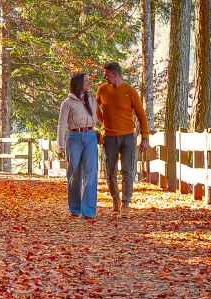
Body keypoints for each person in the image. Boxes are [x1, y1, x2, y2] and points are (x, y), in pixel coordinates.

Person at [94, 61, 149, 217]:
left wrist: (145, 136)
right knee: (110, 171)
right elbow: (95, 108)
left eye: (106, 74)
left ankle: (126, 203)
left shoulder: (130, 91)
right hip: (109, 137)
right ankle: (115, 199)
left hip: (127, 137)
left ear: (115, 74)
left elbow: (141, 115)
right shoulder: (102, 90)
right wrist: (102, 121)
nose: (104, 76)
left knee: (127, 170)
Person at [57, 72, 99, 219]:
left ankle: (88, 210)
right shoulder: (67, 103)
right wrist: (60, 145)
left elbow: (97, 118)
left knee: (91, 173)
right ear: (78, 83)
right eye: (86, 80)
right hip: (73, 137)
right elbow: (62, 124)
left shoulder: (92, 100)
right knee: (74, 173)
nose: (89, 83)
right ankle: (75, 208)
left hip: (90, 137)